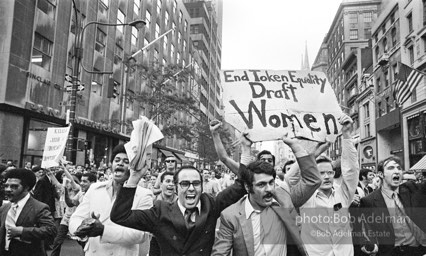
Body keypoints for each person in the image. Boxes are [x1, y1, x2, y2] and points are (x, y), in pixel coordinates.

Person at [110, 120, 252, 255]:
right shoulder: (160, 212)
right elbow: (120, 216)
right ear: (176, 187)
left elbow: (242, 184)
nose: (191, 188)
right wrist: (134, 178)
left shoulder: (211, 206)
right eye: (185, 184)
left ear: (202, 187)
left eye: (196, 184)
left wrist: (246, 149)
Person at [211, 134, 322, 256]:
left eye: (271, 183)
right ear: (248, 187)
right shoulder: (230, 216)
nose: (269, 189)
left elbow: (313, 181)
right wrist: (245, 148)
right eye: (261, 185)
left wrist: (295, 146)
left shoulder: (284, 200)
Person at [287, 114, 358, 256]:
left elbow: (351, 170)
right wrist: (312, 155)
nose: (326, 177)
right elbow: (290, 180)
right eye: (321, 173)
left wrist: (346, 135)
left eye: (330, 173)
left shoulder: (343, 194)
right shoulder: (305, 197)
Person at [69, 144, 154, 256]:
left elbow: (140, 234)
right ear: (111, 165)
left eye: (126, 161)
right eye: (117, 160)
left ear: (133, 168)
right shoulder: (95, 189)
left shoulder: (144, 195)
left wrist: (103, 230)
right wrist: (83, 227)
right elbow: (76, 218)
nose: (120, 163)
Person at [359, 156, 426, 256]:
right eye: (391, 168)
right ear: (381, 174)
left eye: (399, 168)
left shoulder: (411, 189)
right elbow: (364, 230)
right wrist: (369, 244)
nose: (397, 171)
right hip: (391, 252)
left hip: (418, 250)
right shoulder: (369, 201)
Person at [0, 168, 56, 256]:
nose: (8, 189)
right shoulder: (4, 208)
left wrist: (23, 231)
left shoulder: (39, 208)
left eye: (14, 186)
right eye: (6, 186)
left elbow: (50, 230)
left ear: (26, 188)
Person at [51, 172, 97, 256]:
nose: (82, 183)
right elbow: (70, 203)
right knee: (58, 240)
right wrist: (65, 191)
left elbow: (71, 180)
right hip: (69, 219)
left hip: (88, 223)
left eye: (85, 181)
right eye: (81, 181)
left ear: (93, 183)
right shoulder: (81, 193)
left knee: (85, 244)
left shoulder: (98, 194)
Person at [149, 171, 178, 256]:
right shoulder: (153, 201)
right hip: (156, 242)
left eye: (173, 182)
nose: (171, 184)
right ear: (161, 184)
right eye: (168, 181)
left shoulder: (181, 202)